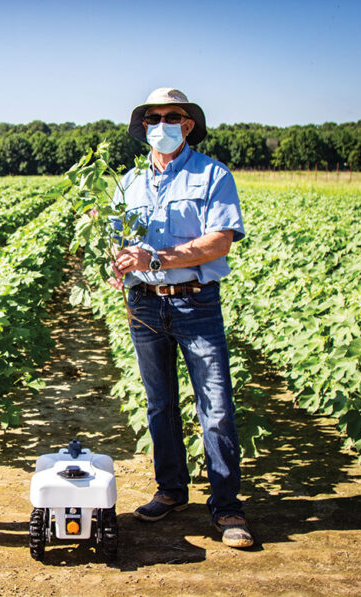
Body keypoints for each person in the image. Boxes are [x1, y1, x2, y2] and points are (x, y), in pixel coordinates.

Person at [109, 88, 253, 548]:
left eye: (172, 117)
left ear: (188, 125)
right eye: (153, 118)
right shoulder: (127, 182)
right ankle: (171, 490)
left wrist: (156, 257)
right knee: (160, 404)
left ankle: (227, 507)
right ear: (145, 126)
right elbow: (117, 242)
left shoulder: (212, 174)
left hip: (196, 301)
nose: (162, 125)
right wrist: (118, 262)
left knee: (216, 408)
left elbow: (218, 243)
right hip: (145, 305)